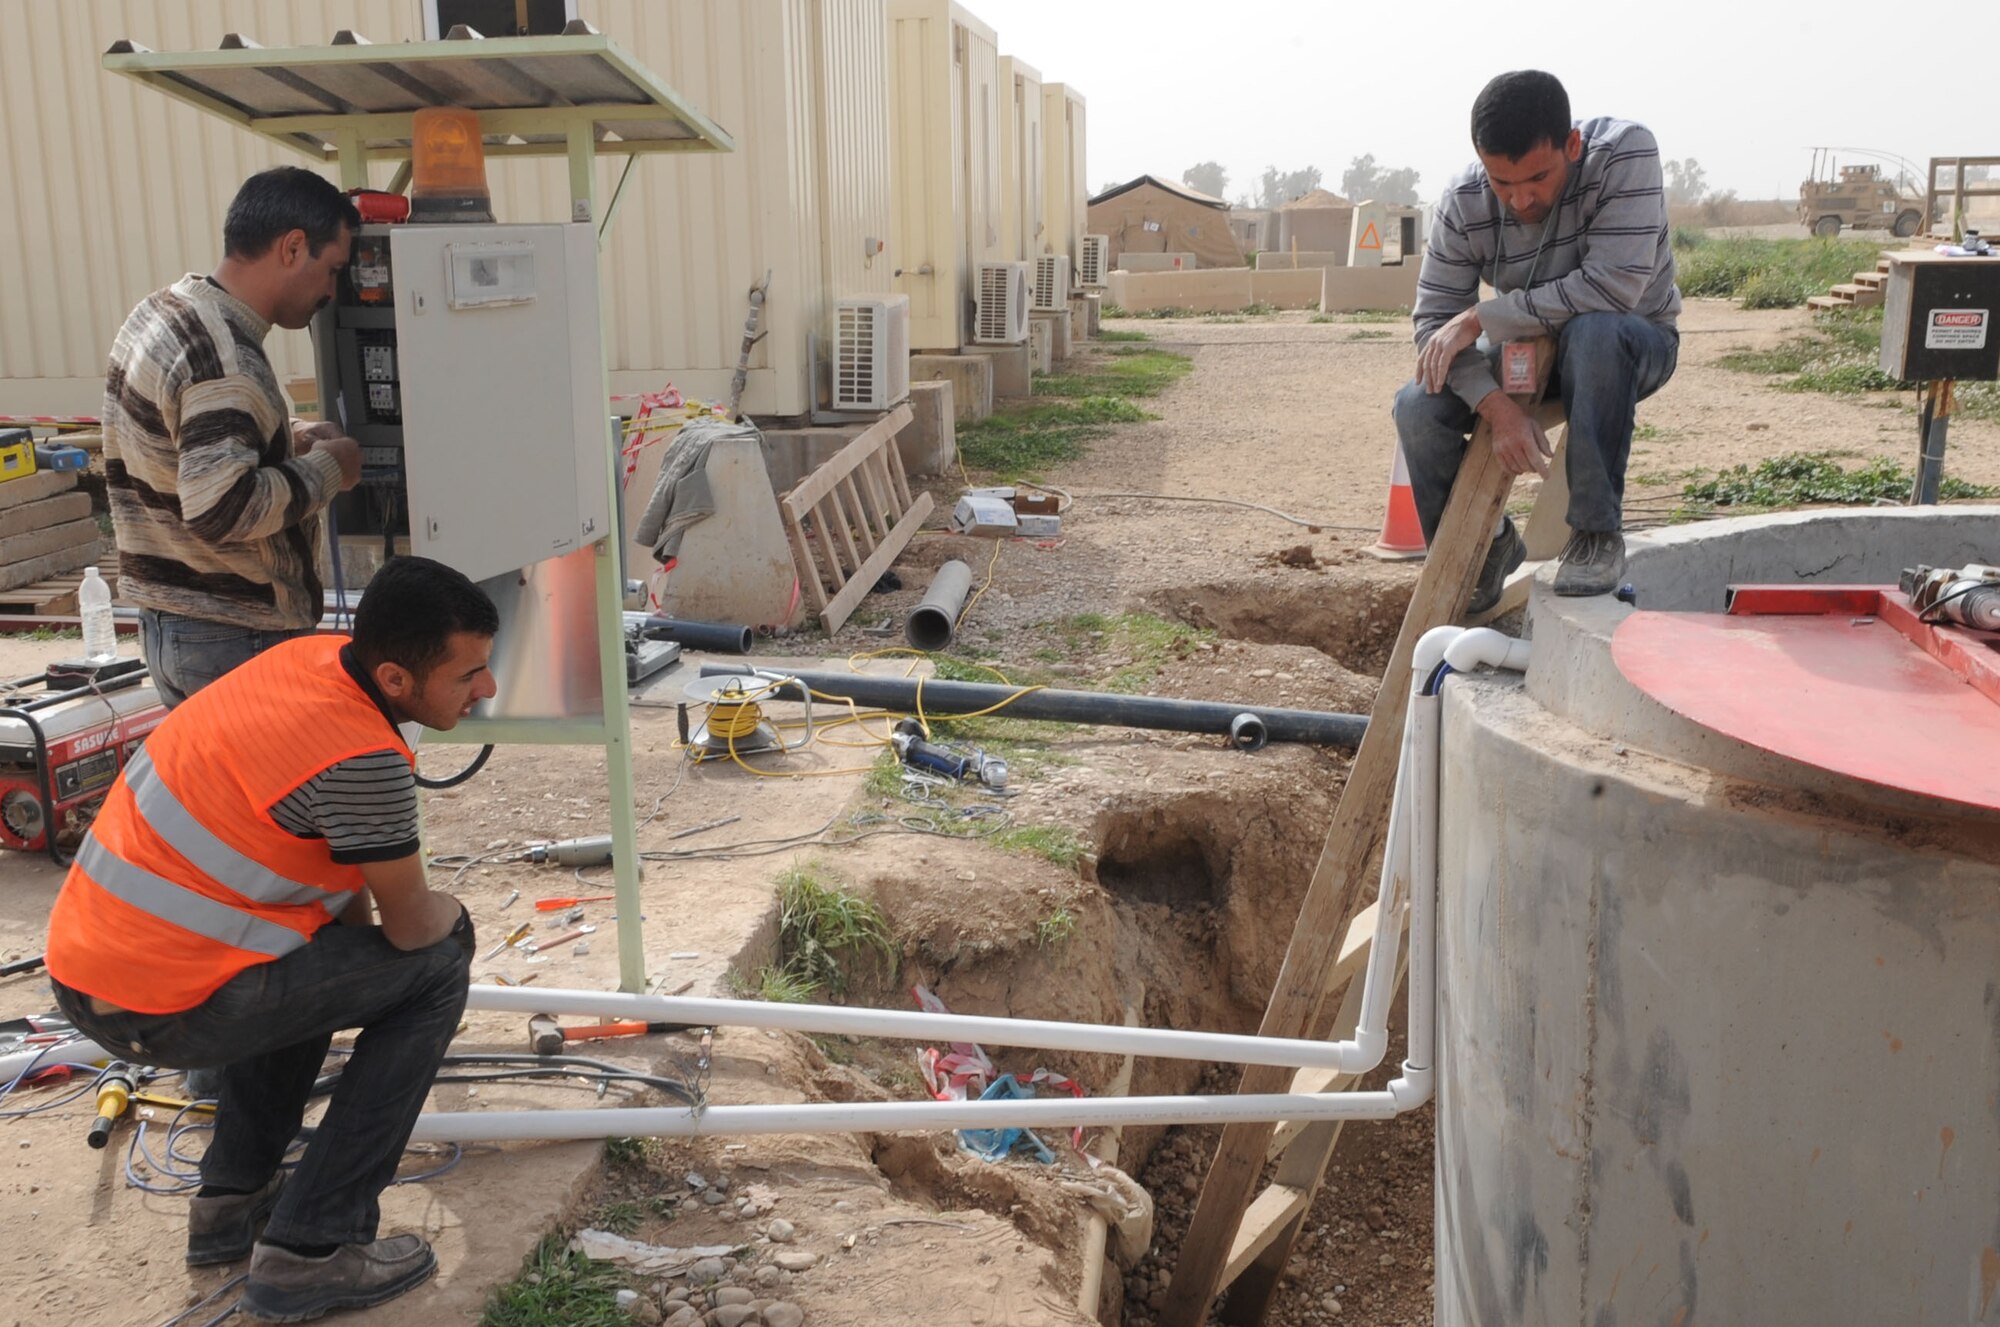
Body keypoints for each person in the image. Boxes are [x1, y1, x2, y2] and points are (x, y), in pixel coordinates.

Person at [43, 557, 498, 1323]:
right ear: (395, 678)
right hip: (159, 1005)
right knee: (440, 966)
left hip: (91, 971)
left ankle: (232, 1205)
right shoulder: (363, 757)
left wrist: (358, 975)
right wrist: (453, 914)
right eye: (468, 674)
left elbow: (346, 910)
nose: (486, 687)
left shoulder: (307, 662)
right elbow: (414, 926)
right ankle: (312, 1249)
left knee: (321, 954)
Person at [1393, 70, 1682, 611]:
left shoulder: (1624, 154)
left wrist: (1481, 317)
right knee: (1416, 407)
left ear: (1571, 145)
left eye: (1538, 179)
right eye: (1502, 183)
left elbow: (1613, 287)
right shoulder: (1463, 201)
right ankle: (1485, 551)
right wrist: (1497, 407)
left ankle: (1595, 535)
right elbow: (1435, 326)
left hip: (1627, 343)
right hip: (1528, 350)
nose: (1520, 199)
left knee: (1594, 331)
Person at [103, 165, 365, 708]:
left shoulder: (162, 314)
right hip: (234, 635)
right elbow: (222, 509)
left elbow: (182, 437)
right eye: (332, 270)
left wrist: (287, 437)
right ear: (293, 247)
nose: (330, 292)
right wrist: (329, 469)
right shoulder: (225, 359)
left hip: (173, 626)